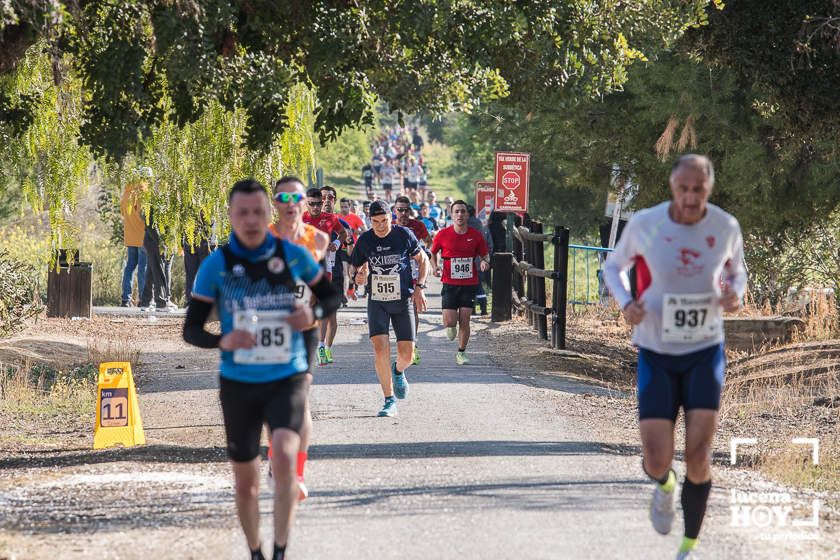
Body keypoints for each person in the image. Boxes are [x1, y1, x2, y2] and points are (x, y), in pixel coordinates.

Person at [183, 178, 341, 560]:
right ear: (232, 216)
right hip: (238, 383)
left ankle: (281, 550)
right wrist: (223, 340)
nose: (251, 220)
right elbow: (191, 330)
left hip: (286, 375)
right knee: (245, 484)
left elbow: (333, 297)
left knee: (285, 458)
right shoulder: (216, 265)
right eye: (243, 213)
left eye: (258, 212)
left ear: (268, 214)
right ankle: (256, 551)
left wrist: (312, 313)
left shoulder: (293, 255)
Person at [603, 155, 747, 560]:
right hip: (656, 349)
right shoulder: (647, 224)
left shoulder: (724, 226)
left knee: (700, 454)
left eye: (698, 190)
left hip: (704, 349)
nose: (689, 198)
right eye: (683, 189)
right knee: (656, 457)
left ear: (709, 189)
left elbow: (738, 272)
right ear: (672, 186)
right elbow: (613, 268)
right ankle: (664, 486)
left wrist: (735, 293)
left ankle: (689, 545)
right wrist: (626, 302)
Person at [267, 176, 330, 503]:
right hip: (267, 328)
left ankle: (298, 473)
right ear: (275, 203)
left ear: (305, 203)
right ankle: (276, 459)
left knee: (299, 396)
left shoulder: (318, 239)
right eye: (283, 197)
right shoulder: (261, 237)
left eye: (296, 198)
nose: (290, 204)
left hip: (304, 329)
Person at [349, 200, 429, 417]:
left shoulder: (404, 235)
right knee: (380, 348)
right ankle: (388, 400)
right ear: (369, 220)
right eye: (375, 222)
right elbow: (354, 270)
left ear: (390, 217)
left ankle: (398, 370)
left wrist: (419, 287)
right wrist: (358, 276)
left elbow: (424, 261)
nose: (380, 226)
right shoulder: (365, 240)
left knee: (408, 355)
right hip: (377, 301)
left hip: (403, 300)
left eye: (384, 221)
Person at [430, 200, 490, 365]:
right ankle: (451, 326)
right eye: (456, 211)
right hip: (449, 283)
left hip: (469, 283)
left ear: (467, 214)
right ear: (451, 214)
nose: (460, 215)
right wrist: (435, 268)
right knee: (450, 322)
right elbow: (432, 253)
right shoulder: (443, 234)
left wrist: (485, 262)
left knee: (465, 319)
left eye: (463, 211)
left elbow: (485, 254)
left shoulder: (476, 235)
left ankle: (461, 352)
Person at [302, 187, 348, 365]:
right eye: (311, 204)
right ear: (306, 204)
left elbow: (344, 233)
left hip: (326, 267)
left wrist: (336, 242)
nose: (315, 207)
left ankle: (322, 347)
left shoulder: (330, 219)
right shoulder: (301, 218)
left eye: (318, 204)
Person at [393, 196, 433, 365]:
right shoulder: (389, 227)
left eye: (406, 210)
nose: (403, 213)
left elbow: (429, 242)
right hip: (394, 273)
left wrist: (426, 254)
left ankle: (412, 346)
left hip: (414, 271)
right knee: (394, 309)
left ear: (410, 210)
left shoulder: (418, 226)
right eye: (399, 210)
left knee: (413, 309)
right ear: (394, 211)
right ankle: (401, 345)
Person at [119, 170, 148, 306]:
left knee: (130, 266)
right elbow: (145, 215)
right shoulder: (144, 192)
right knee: (143, 267)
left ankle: (126, 299)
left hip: (130, 236)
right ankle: (143, 299)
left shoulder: (126, 193)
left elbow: (123, 212)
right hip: (142, 236)